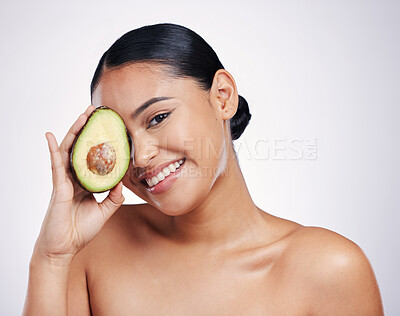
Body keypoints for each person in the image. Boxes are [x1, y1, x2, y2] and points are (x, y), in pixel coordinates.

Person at [23, 23, 384, 315]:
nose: (141, 158)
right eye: (124, 141)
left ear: (222, 96)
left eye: (158, 117)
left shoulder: (330, 271)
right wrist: (51, 259)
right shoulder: (93, 247)